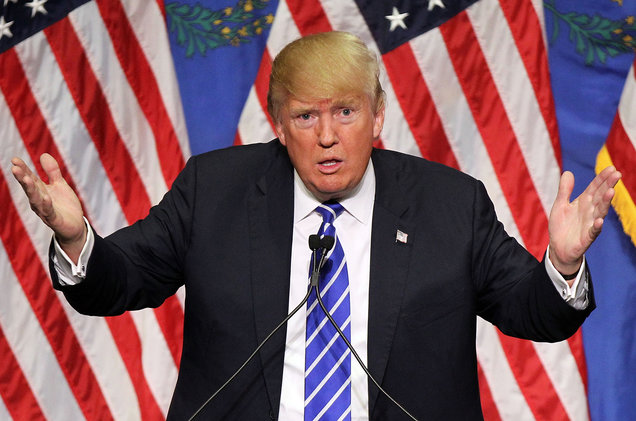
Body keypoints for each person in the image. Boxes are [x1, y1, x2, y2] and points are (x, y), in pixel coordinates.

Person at [11, 31, 621, 420]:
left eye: (345, 112)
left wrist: (563, 266)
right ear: (278, 124)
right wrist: (75, 237)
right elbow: (122, 281)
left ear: (378, 116)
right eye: (305, 116)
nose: (327, 136)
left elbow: (533, 311)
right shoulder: (215, 190)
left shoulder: (449, 204)